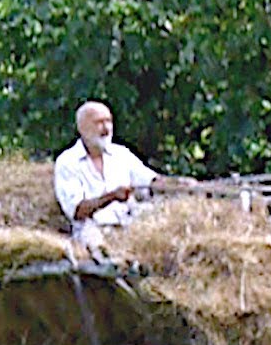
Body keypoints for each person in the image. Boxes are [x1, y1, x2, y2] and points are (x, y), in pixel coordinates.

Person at [53, 101, 190, 256]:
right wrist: (112, 196)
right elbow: (77, 210)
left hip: (129, 223)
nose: (106, 128)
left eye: (109, 121)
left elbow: (150, 181)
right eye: (99, 123)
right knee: (96, 245)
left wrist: (178, 184)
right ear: (82, 128)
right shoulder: (67, 162)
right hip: (94, 229)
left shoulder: (121, 154)